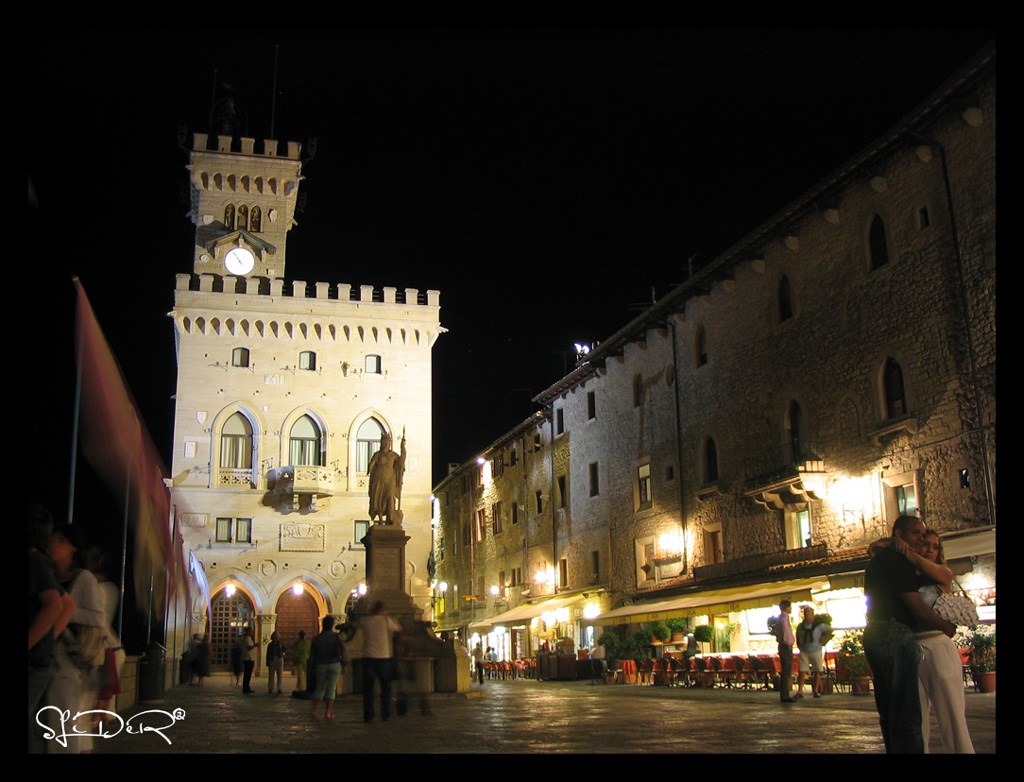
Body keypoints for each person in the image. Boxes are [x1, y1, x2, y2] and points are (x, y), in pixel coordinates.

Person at [863, 515, 956, 753]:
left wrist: (894, 546)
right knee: (908, 714)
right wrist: (944, 625)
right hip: (896, 634)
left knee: (890, 709)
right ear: (899, 534)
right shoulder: (898, 561)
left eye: (925, 537)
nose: (921, 540)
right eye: (916, 534)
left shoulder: (881, 560)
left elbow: (944, 576)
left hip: (875, 632)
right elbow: (914, 605)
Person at [891, 529, 975, 753]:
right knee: (916, 722)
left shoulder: (942, 574)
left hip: (938, 646)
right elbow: (875, 547)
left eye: (935, 546)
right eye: (925, 544)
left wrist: (908, 550)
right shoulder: (907, 574)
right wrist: (896, 540)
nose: (930, 550)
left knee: (952, 718)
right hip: (911, 648)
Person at [43, 523, 108, 754]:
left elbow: (97, 618)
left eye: (61, 541)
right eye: (53, 539)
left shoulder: (83, 578)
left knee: (64, 723)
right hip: (45, 657)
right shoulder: (49, 576)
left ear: (73, 548)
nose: (53, 544)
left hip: (68, 660)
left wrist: (64, 610)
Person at [28, 504, 73, 754]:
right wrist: (46, 641)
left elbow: (56, 605)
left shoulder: (33, 560)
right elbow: (67, 604)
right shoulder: (40, 561)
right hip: (39, 660)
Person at [359, 601, 401, 721]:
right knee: (386, 689)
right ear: (383, 610)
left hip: (368, 659)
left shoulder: (366, 620)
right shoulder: (386, 621)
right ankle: (385, 713)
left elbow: (356, 624)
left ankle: (368, 715)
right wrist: (387, 616)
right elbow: (398, 628)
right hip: (384, 659)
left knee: (368, 690)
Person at [310, 616, 347, 719]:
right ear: (331, 625)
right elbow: (343, 651)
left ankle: (314, 710)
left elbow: (312, 655)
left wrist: (312, 667)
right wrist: (344, 664)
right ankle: (328, 712)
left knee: (319, 688)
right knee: (331, 688)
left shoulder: (317, 639)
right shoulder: (336, 637)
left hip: (321, 665)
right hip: (334, 664)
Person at [368, 431, 407, 524]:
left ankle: (390, 518)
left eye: (387, 442)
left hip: (390, 480)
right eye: (384, 442)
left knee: (390, 498)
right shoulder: (377, 454)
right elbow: (372, 464)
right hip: (379, 479)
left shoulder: (393, 455)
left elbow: (401, 461)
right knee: (379, 499)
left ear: (390, 443)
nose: (385, 444)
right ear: (381, 443)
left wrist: (403, 447)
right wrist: (369, 469)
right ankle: (381, 519)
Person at [795, 606, 830, 699]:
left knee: (817, 670)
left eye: (809, 612)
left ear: (812, 614)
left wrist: (824, 639)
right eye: (805, 612)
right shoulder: (801, 626)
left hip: (816, 649)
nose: (806, 613)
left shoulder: (818, 625)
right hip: (804, 650)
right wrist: (799, 646)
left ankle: (815, 690)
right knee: (802, 671)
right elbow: (798, 636)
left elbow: (830, 630)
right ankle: (800, 691)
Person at [772, 600, 796, 703]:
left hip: (782, 645)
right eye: (790, 607)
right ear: (787, 607)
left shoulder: (780, 618)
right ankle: (785, 695)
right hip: (786, 646)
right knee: (787, 671)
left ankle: (784, 694)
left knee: (785, 670)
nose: (791, 609)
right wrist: (789, 644)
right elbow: (786, 633)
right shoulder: (784, 618)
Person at [241, 628, 257, 693]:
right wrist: (255, 645)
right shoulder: (247, 639)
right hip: (248, 658)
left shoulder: (248, 638)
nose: (252, 632)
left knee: (247, 674)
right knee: (247, 674)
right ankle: (246, 688)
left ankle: (246, 687)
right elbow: (248, 647)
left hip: (248, 658)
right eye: (251, 631)